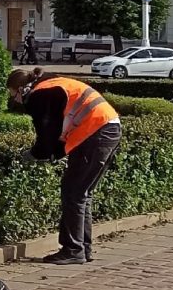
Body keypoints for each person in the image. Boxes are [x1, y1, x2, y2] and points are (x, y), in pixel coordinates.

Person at [8, 68, 123, 265]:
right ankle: (82, 248)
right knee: (81, 193)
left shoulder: (40, 95)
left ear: (21, 88)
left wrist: (34, 155)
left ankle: (73, 250)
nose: (14, 100)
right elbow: (60, 129)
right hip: (107, 128)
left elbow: (47, 132)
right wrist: (54, 153)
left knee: (73, 193)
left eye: (13, 94)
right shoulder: (52, 85)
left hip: (95, 132)